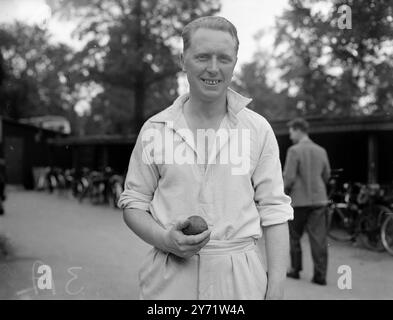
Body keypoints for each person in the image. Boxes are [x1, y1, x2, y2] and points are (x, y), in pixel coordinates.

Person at [118, 16, 293, 300]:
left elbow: (274, 211)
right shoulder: (155, 130)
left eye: (224, 58)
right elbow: (133, 204)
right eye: (202, 57)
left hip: (241, 282)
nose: (213, 68)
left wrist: (276, 287)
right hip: (169, 280)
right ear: (183, 60)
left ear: (235, 61)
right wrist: (165, 239)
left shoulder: (257, 130)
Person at [283, 118, 331, 285]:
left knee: (294, 237)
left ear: (298, 130)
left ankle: (295, 270)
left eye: (291, 132)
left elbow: (288, 179)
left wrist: (283, 195)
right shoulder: (321, 150)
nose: (290, 136)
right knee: (319, 239)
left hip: (299, 201)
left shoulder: (294, 151)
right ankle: (320, 276)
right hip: (319, 200)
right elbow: (327, 175)